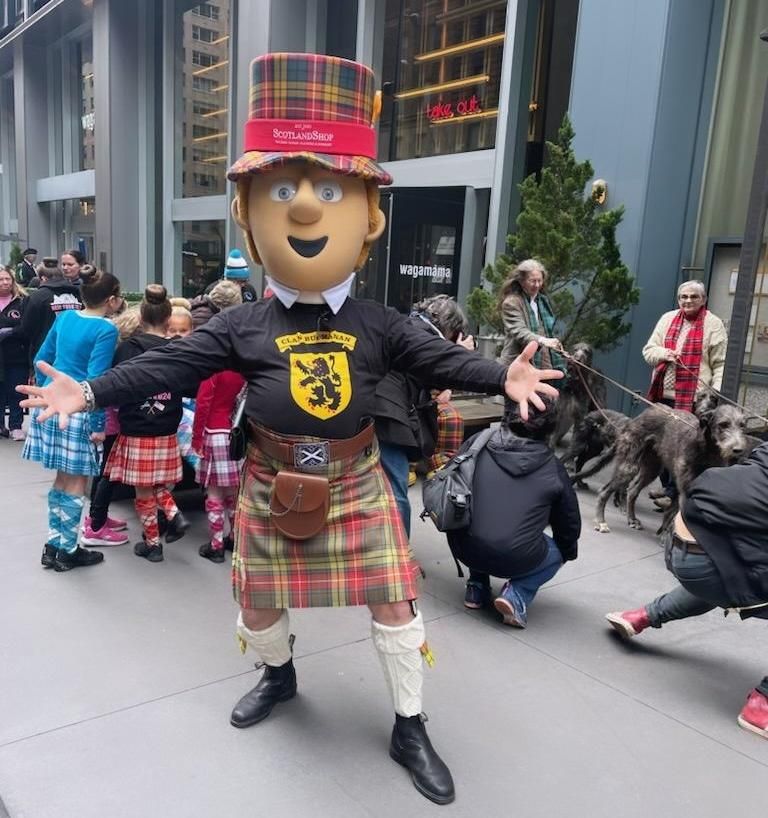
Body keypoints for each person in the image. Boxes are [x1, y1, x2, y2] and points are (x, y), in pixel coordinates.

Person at [18, 53, 562, 806]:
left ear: (366, 215)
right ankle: (277, 674)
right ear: (249, 210)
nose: (306, 211)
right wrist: (90, 391)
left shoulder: (379, 322)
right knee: (256, 604)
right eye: (282, 191)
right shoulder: (241, 323)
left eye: (329, 190)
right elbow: (168, 367)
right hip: (272, 481)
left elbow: (438, 357)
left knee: (397, 602)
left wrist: (503, 375)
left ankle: (410, 724)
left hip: (356, 478)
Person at [605, 442, 768, 740]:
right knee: (729, 579)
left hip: (677, 536)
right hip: (703, 565)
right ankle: (762, 704)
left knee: (732, 576)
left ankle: (642, 615)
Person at [21, 267, 123, 572]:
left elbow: (42, 358)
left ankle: (53, 544)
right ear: (112, 300)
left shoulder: (65, 317)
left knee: (62, 480)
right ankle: (68, 550)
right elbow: (97, 379)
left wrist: (45, 393)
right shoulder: (106, 329)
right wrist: (98, 425)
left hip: (53, 405)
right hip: (79, 410)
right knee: (77, 481)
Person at [448, 398, 580, 625]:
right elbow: (569, 525)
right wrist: (567, 552)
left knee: (477, 518)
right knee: (559, 550)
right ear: (551, 427)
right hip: (515, 556)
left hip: (463, 545)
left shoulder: (478, 442)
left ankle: (476, 586)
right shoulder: (553, 468)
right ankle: (516, 594)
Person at [103, 285, 190, 563]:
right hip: (166, 428)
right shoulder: (178, 351)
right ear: (168, 321)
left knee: (143, 489)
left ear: (140, 318)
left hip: (136, 428)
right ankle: (174, 515)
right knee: (156, 484)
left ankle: (153, 545)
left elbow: (115, 387)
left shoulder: (128, 349)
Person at [644, 280, 727, 505]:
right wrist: (664, 353)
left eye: (693, 297)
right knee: (661, 444)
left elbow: (721, 363)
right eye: (683, 297)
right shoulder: (667, 319)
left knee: (684, 448)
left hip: (694, 398)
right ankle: (667, 487)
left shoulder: (713, 324)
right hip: (664, 396)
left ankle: (673, 494)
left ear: (703, 299)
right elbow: (648, 351)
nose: (688, 301)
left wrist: (715, 392)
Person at [192, 366, 245, 562]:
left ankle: (216, 546)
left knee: (214, 493)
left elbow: (203, 403)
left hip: (213, 430)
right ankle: (234, 538)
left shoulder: (213, 368)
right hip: (235, 431)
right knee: (233, 492)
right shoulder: (244, 366)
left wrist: (197, 438)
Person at [499, 258, 564, 372]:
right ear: (521, 281)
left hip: (542, 365)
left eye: (540, 280)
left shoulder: (543, 301)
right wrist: (543, 340)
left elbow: (547, 331)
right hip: (517, 366)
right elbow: (519, 331)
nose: (537, 285)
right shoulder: (512, 302)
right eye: (533, 281)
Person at [18, 266, 82, 363]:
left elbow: (27, 328)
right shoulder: (78, 294)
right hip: (75, 349)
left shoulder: (37, 297)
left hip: (45, 351)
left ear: (43, 278)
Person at [0, 267, 29, 440]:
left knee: (16, 390)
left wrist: (11, 331)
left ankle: (16, 425)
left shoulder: (22, 302)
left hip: (16, 355)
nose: (4, 283)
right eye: (1, 279)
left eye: (7, 279)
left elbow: (27, 327)